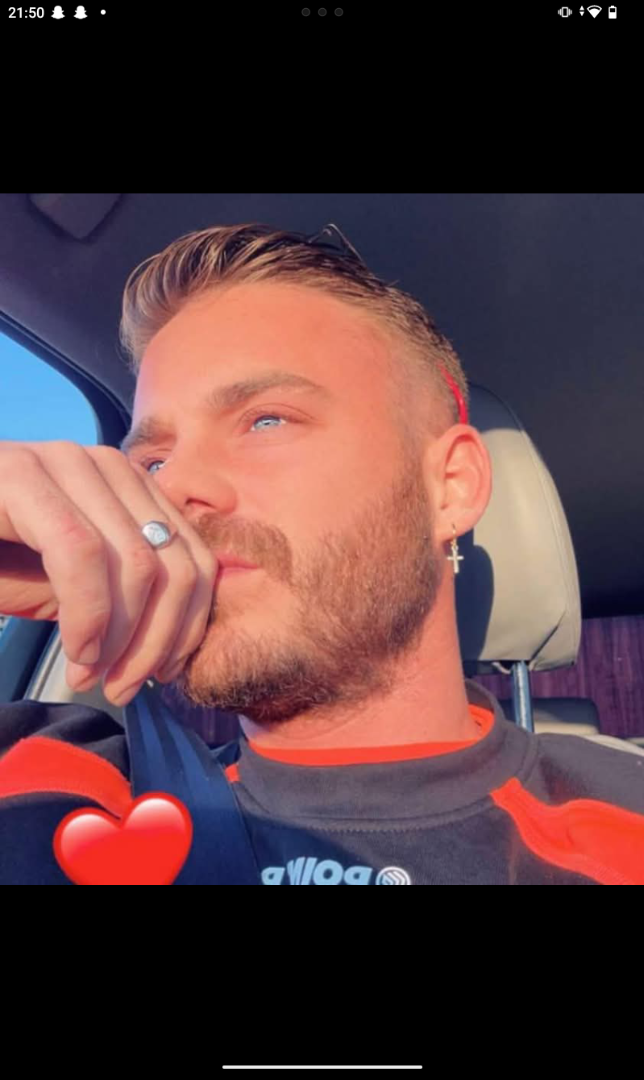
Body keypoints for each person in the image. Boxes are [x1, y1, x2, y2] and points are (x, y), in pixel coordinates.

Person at [2, 222, 644, 885]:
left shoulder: (624, 823)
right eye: (154, 461)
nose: (176, 489)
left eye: (266, 420)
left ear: (450, 487)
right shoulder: (55, 785)